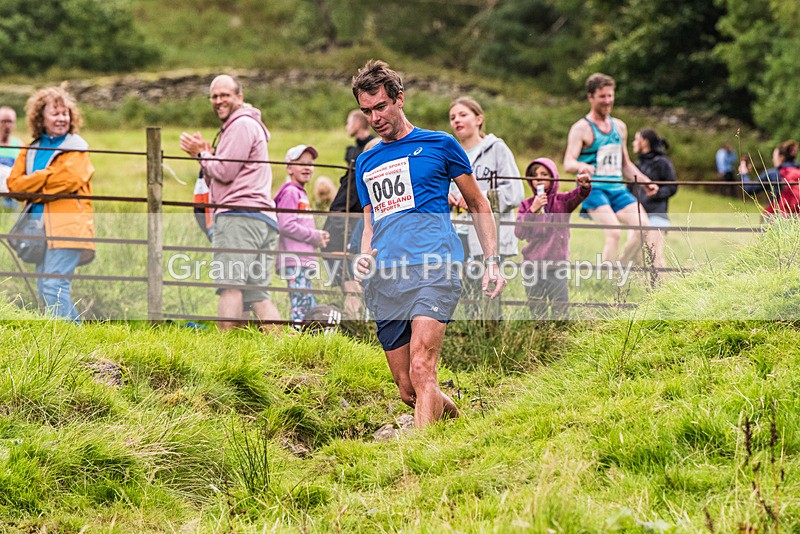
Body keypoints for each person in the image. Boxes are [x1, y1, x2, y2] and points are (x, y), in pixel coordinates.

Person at [351, 60, 505, 428]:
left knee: (423, 368)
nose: (374, 117)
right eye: (366, 111)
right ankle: (462, 424)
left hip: (435, 268)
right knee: (408, 389)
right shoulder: (365, 161)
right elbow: (371, 220)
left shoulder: (440, 144)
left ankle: (421, 465)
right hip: (385, 278)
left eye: (381, 107)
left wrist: (492, 261)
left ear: (399, 99)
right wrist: (362, 255)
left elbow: (478, 204)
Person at [179, 75, 280, 331]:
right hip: (261, 217)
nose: (218, 100)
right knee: (258, 294)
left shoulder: (240, 125)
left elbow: (225, 171)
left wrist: (200, 155)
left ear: (239, 97)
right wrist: (209, 154)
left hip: (239, 216)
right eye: (214, 96)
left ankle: (225, 353)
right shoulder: (245, 125)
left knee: (230, 286)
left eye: (225, 95)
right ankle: (285, 351)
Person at [7, 88, 95, 321]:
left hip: (67, 227)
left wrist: (33, 185)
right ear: (40, 118)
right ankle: (64, 348)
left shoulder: (77, 146)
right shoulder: (31, 148)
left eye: (65, 113)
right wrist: (47, 179)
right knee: (44, 288)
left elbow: (68, 180)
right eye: (55, 113)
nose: (62, 118)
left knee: (53, 286)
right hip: (37, 228)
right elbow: (14, 185)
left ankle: (77, 344)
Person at [563, 72, 662, 268]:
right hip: (594, 190)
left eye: (610, 95)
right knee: (614, 232)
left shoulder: (620, 127)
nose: (607, 101)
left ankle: (621, 266)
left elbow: (625, 164)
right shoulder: (581, 128)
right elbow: (568, 163)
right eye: (602, 96)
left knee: (645, 227)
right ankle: (606, 280)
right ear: (591, 97)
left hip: (617, 189)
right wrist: (581, 166)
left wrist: (644, 181)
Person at [447, 96, 523, 315]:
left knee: (487, 300)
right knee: (463, 296)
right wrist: (449, 198)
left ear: (479, 119)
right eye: (452, 117)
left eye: (463, 115)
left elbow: (515, 192)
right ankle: (466, 340)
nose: (456, 121)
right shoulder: (452, 152)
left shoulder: (497, 149)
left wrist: (477, 200)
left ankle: (491, 340)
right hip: (457, 233)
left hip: (486, 234)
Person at [515, 159, 591, 320]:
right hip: (532, 267)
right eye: (534, 175)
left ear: (553, 177)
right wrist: (533, 210)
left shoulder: (562, 202)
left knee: (560, 309)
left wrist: (583, 186)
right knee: (537, 311)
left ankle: (559, 337)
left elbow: (578, 195)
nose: (539, 178)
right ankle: (541, 338)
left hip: (556, 267)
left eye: (544, 174)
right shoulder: (526, 205)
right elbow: (519, 232)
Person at [321, 110, 376, 317]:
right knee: (352, 282)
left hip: (349, 231)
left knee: (354, 281)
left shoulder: (359, 172)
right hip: (344, 231)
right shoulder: (356, 174)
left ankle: (356, 319)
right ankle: (355, 320)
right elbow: (343, 205)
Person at [274, 145, 330, 323]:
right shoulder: (290, 192)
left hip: (303, 259)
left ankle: (307, 337)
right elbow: (286, 225)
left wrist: (318, 236)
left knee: (306, 302)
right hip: (295, 258)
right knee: (300, 304)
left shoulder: (300, 193)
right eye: (301, 163)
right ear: (289, 168)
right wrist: (314, 236)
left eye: (310, 164)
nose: (307, 167)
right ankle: (296, 338)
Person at [627, 128, 678, 264]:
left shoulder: (662, 162)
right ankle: (636, 285)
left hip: (657, 215)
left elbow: (672, 186)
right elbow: (629, 191)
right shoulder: (636, 166)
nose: (633, 143)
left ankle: (663, 286)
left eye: (636, 139)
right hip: (638, 217)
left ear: (644, 142)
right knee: (635, 259)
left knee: (654, 257)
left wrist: (656, 194)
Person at [0, 106, 23, 209]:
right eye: (3, 121)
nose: (7, 126)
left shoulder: (19, 146)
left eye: (10, 122)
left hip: (12, 200)